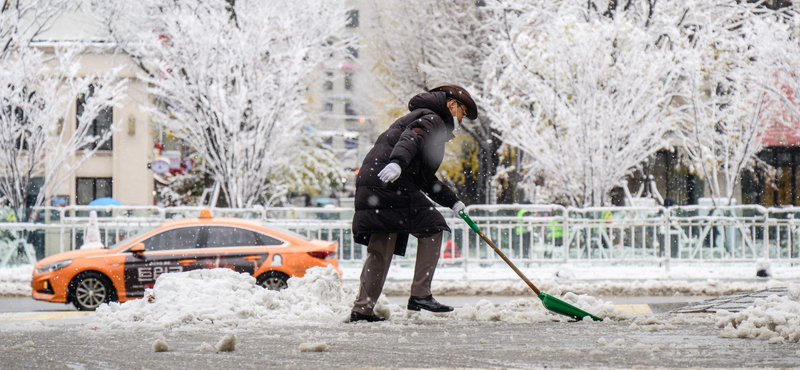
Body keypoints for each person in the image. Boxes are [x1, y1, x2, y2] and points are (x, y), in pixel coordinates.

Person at [350, 85, 478, 323]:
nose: (460, 120)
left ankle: (363, 308)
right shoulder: (433, 118)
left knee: (382, 245)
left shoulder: (422, 116)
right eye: (461, 113)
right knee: (433, 226)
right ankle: (421, 293)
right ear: (452, 105)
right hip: (390, 180)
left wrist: (453, 201)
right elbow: (413, 137)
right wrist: (398, 162)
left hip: (375, 181)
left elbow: (425, 179)